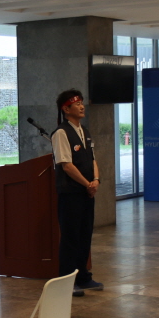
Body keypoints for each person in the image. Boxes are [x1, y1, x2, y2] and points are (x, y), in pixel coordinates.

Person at [52, 89, 102, 297]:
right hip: (71, 193)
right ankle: (67, 281)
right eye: (77, 104)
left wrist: (96, 181)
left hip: (86, 193)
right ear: (66, 109)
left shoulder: (85, 131)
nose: (82, 107)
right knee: (71, 237)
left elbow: (92, 159)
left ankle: (83, 277)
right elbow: (66, 165)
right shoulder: (61, 133)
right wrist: (87, 184)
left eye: (82, 103)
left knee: (84, 235)